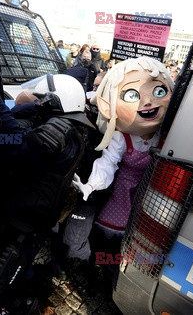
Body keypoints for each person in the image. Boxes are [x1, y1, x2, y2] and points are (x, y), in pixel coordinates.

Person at [0, 52, 95, 314]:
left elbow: (19, 145)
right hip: (26, 220)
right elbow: (20, 114)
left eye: (41, 100)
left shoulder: (57, 132)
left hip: (25, 225)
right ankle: (23, 300)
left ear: (54, 103)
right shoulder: (69, 124)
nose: (36, 104)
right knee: (17, 270)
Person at [71, 56, 174, 246]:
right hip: (123, 191)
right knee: (112, 235)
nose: (149, 101)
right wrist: (92, 185)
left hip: (151, 191)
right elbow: (108, 162)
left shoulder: (167, 134)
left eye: (159, 91)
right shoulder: (122, 138)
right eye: (132, 95)